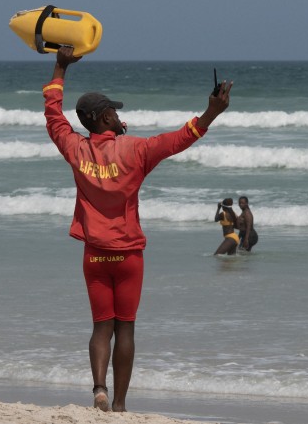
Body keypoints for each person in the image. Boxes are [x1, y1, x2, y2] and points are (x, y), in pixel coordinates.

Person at [43, 46, 232, 412]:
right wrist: (212, 111)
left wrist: (59, 67)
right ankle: (119, 405)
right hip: (128, 255)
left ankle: (98, 388)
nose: (118, 115)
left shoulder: (75, 149)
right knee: (124, 328)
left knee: (102, 327)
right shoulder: (136, 151)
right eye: (114, 111)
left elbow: (53, 114)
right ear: (103, 117)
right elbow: (180, 138)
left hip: (94, 255)